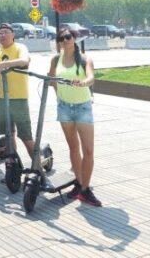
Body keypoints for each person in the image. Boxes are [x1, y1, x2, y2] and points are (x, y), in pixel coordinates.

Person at [49, 24, 101, 207]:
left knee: (88, 150)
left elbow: (91, 77)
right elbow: (51, 79)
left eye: (68, 37)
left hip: (82, 107)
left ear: (74, 39)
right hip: (64, 108)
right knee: (73, 147)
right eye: (61, 38)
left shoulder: (85, 59)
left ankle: (86, 189)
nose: (64, 40)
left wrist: (83, 83)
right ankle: (79, 184)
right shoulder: (56, 59)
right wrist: (58, 95)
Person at [0, 23, 34, 158]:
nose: (3, 35)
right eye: (0, 33)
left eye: (6, 32)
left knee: (25, 135)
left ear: (13, 35)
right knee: (8, 133)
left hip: (19, 99)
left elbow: (24, 61)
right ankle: (13, 161)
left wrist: (3, 64)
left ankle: (37, 167)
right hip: (1, 99)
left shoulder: (20, 47)